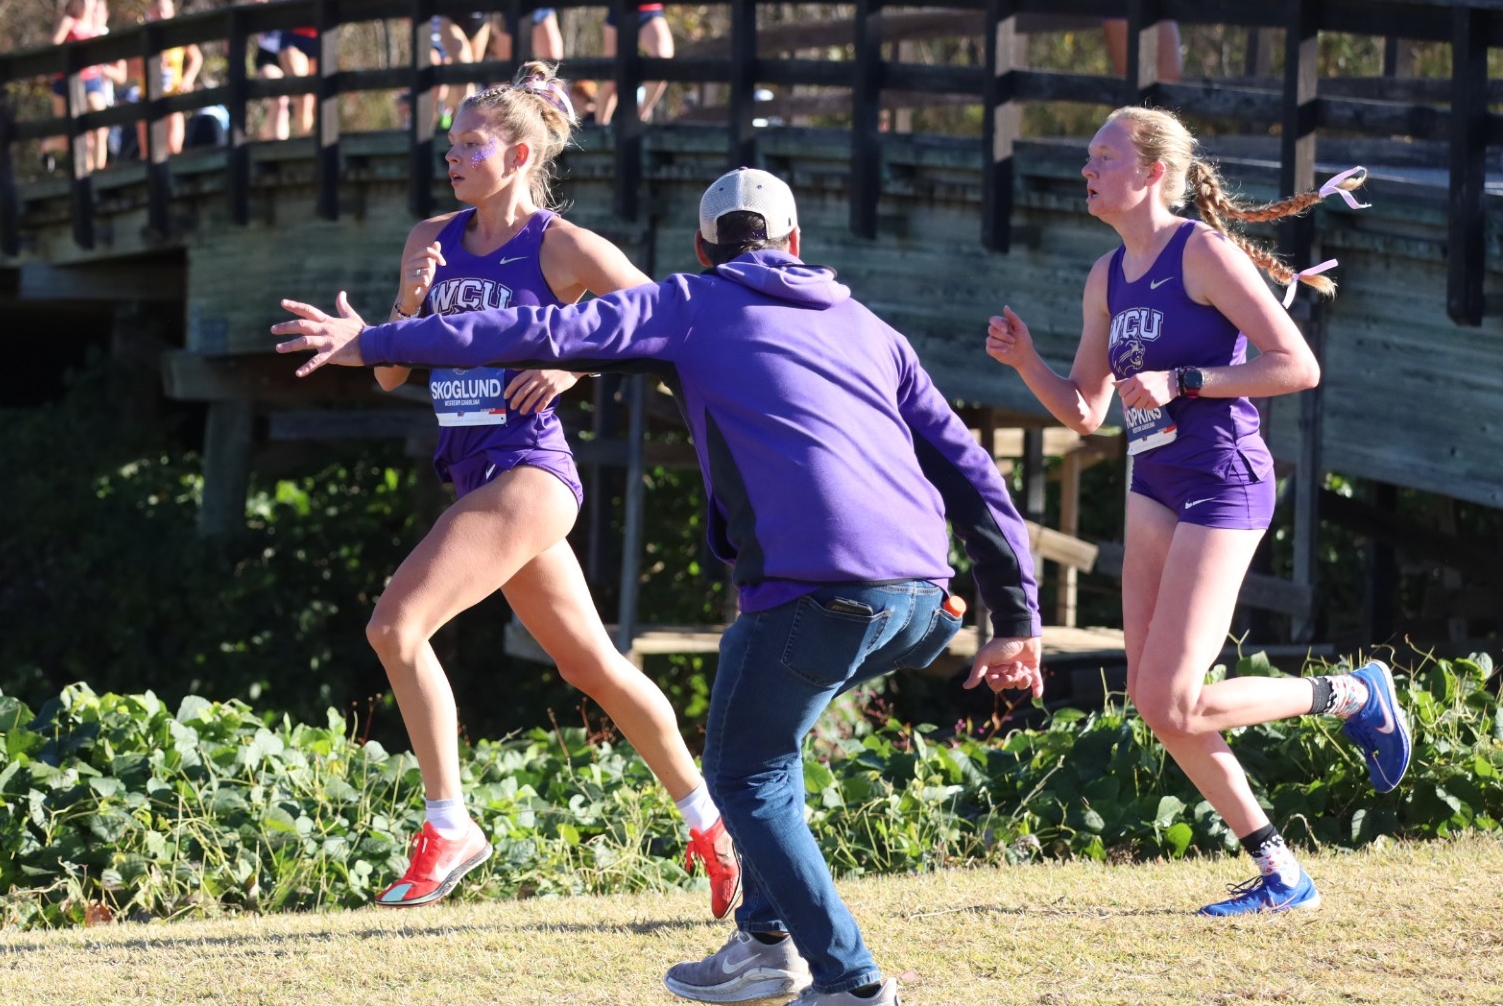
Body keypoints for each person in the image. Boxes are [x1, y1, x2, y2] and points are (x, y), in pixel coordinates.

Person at [274, 166, 1049, 1006]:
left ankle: (849, 980)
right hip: (923, 602)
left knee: (746, 776)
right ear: (796, 244)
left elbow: (513, 330)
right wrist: (1017, 617)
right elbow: (973, 473)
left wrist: (377, 342)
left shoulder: (687, 301)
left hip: (815, 590)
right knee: (766, 755)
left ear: (700, 248)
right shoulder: (871, 328)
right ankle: (761, 941)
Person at [275, 61, 745, 919]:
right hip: (472, 469)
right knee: (590, 665)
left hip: (529, 470)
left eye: (471, 143)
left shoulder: (561, 245)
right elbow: (389, 376)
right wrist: (408, 310)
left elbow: (669, 327)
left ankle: (448, 824)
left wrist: (569, 367)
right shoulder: (430, 237)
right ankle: (713, 826)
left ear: (521, 154)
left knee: (396, 624)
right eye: (449, 143)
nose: (453, 156)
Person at [983, 106, 1410, 916]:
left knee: (1177, 698)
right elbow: (1084, 411)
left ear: (1151, 172)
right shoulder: (1105, 277)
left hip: (1224, 477)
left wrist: (1186, 382)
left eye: (1101, 157)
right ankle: (1282, 873)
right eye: (1087, 157)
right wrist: (1026, 359)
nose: (1086, 169)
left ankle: (1350, 696)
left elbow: (1298, 365)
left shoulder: (1202, 254)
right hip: (1154, 480)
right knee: (1154, 702)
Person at [273, 0, 346, 139]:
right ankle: (304, 141)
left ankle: (313, 138)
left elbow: (348, 8)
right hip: (292, 39)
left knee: (317, 97)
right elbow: (270, 9)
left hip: (320, 40)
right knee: (302, 91)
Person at [599, 0, 674, 124]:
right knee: (612, 76)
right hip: (622, 10)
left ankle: (639, 116)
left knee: (663, 61)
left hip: (651, 9)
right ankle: (600, 127)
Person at [48, 0, 121, 171]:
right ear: (73, 1)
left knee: (100, 124)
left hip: (91, 80)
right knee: (70, 135)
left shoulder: (98, 28)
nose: (86, 2)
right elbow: (52, 50)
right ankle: (81, 173)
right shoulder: (68, 23)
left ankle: (99, 172)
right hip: (65, 84)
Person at [135, 0, 203, 158]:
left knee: (173, 147)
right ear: (151, 13)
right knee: (148, 154)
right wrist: (150, 64)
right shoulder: (144, 36)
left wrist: (187, 79)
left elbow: (196, 58)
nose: (162, 15)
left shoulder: (178, 34)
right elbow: (132, 69)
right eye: (157, 11)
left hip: (172, 97)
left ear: (172, 12)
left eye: (165, 11)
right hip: (148, 99)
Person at [250, 0, 293, 141]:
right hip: (269, 56)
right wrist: (255, 7)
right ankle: (279, 147)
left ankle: (271, 141)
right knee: (280, 98)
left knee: (282, 106)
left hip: (293, 53)